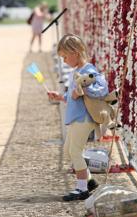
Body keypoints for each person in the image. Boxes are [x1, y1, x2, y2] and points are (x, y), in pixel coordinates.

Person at [47, 34, 109, 201]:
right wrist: (60, 96)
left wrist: (82, 91)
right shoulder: (77, 72)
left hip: (84, 118)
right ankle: (89, 181)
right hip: (76, 118)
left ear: (75, 52)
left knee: (75, 151)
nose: (64, 61)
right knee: (69, 150)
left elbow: (101, 90)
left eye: (65, 57)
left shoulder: (88, 71)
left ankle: (81, 189)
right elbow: (71, 96)